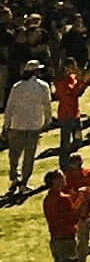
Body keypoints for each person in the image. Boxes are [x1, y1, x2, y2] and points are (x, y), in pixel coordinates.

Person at [3, 62, 47, 196]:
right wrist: (48, 121)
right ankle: (24, 183)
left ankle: (15, 177)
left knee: (14, 155)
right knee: (29, 156)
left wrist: (6, 125)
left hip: (17, 125)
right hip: (34, 126)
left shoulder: (17, 87)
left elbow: (9, 107)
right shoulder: (43, 87)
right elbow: (47, 105)